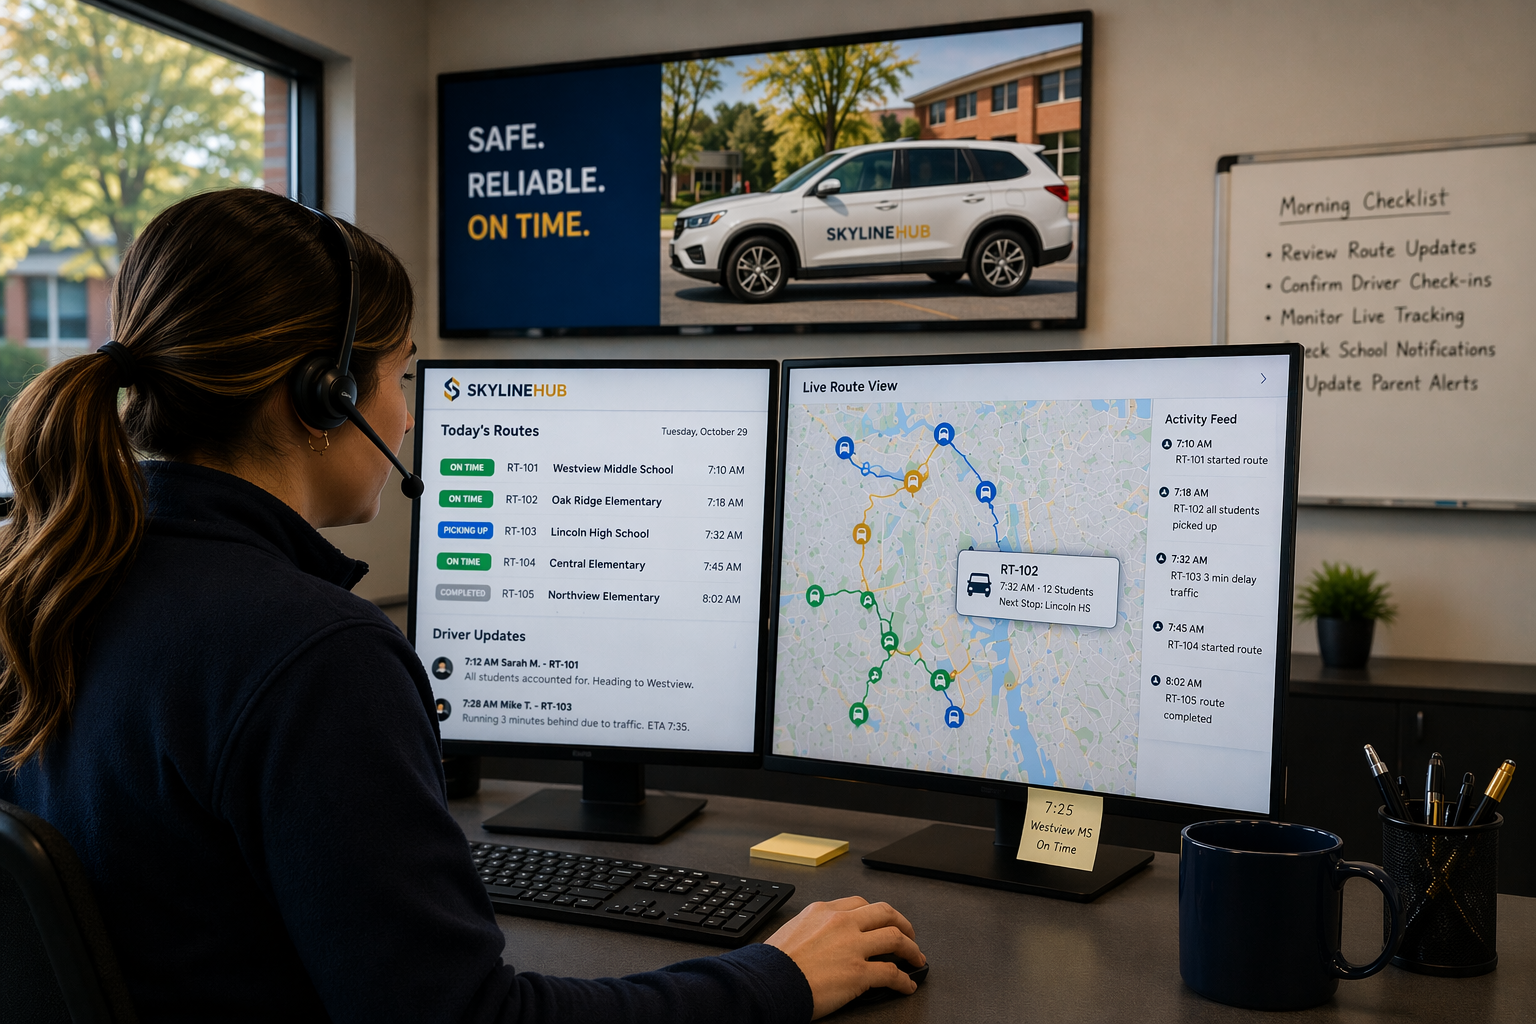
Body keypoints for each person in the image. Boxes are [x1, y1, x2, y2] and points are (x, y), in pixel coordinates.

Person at [0, 190, 924, 1022]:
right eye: (402, 376)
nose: (408, 415)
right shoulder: (313, 655)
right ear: (325, 394)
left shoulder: (50, 580)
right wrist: (779, 976)